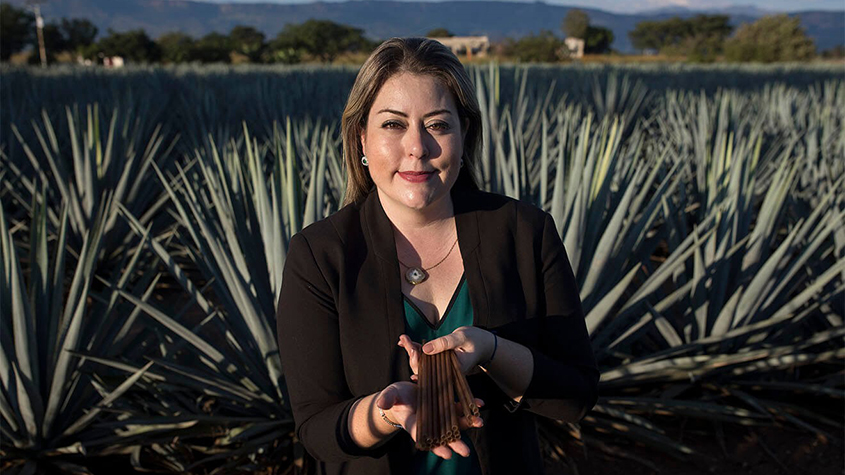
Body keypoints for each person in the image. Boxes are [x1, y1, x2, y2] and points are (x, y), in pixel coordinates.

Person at [276, 37, 599, 475]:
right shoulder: (320, 254)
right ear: (362, 139)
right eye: (393, 124)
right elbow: (315, 427)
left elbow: (576, 395)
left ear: (464, 135)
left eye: (438, 125)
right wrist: (385, 412)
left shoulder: (525, 232)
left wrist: (490, 348)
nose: (417, 147)